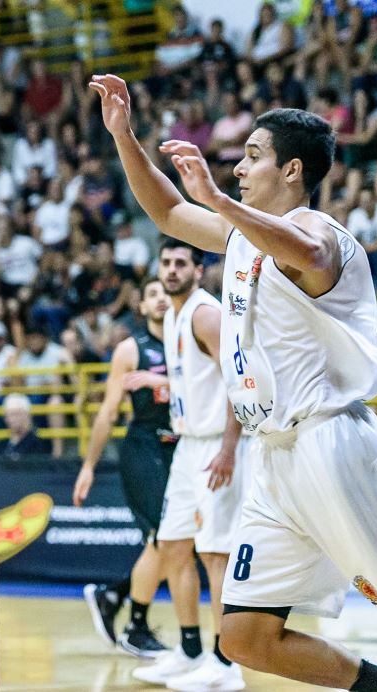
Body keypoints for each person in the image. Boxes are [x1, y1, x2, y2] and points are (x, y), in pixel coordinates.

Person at [90, 72, 377, 690]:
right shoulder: (241, 233)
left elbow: (308, 256)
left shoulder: (323, 232)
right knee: (244, 636)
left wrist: (218, 199)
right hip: (274, 460)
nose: (238, 168)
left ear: (292, 170)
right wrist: (123, 135)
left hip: (333, 445)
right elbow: (165, 209)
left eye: (252, 156)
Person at [131, 238, 248, 690]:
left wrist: (229, 449)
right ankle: (191, 650)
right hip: (187, 443)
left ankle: (225, 662)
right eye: (166, 262)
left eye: (182, 262)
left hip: (218, 444)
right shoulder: (173, 314)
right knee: (173, 545)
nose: (172, 269)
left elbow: (238, 382)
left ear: (199, 271)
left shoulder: (205, 313)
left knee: (215, 553)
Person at [73, 276, 174, 658]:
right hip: (145, 445)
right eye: (151, 294)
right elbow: (108, 412)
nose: (160, 297)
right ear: (142, 308)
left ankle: (113, 595)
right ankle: (137, 627)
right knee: (162, 537)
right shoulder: (132, 350)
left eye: (164, 290)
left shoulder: (194, 340)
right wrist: (88, 466)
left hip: (185, 446)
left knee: (180, 542)